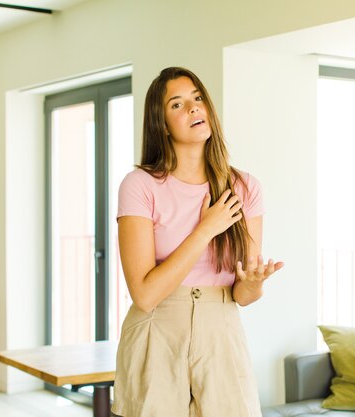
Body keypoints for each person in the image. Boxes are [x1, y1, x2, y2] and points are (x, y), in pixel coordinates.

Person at [111, 67, 284, 417]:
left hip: (222, 331)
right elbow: (144, 295)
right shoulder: (140, 185)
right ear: (162, 123)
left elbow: (242, 295)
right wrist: (206, 229)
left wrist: (254, 285)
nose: (192, 108)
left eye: (197, 98)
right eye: (177, 104)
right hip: (156, 332)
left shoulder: (245, 187)